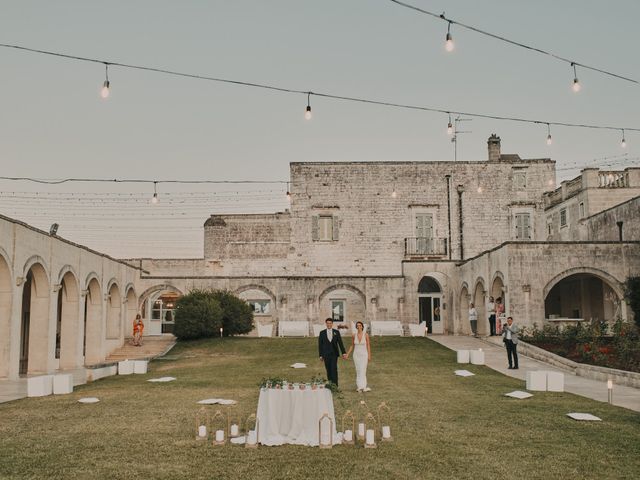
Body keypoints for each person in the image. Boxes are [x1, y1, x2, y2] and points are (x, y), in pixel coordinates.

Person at [318, 317, 347, 386]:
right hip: (326, 354)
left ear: (332, 324)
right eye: (327, 323)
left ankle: (335, 386)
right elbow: (320, 345)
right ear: (326, 324)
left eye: (330, 323)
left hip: (334, 354)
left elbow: (340, 343)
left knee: (334, 369)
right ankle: (330, 384)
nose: (329, 325)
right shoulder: (322, 333)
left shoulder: (336, 332)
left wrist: (344, 352)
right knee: (328, 370)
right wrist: (320, 355)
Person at [345, 321, 371, 392]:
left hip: (364, 355)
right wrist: (347, 354)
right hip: (356, 355)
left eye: (360, 325)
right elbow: (352, 345)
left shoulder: (366, 335)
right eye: (357, 326)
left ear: (362, 327)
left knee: (363, 370)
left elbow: (368, 345)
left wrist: (369, 355)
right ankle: (359, 386)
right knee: (358, 370)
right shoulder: (354, 335)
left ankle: (364, 386)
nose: (359, 327)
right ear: (356, 327)